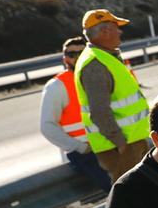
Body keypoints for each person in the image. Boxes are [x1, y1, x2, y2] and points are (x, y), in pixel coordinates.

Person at [74, 8, 150, 181]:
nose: (120, 31)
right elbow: (99, 111)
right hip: (121, 148)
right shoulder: (95, 64)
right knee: (133, 198)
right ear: (105, 31)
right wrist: (121, 144)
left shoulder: (104, 57)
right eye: (116, 26)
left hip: (130, 144)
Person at [40, 36, 111, 190]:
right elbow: (47, 126)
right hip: (86, 154)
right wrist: (79, 147)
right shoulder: (57, 87)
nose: (77, 58)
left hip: (109, 146)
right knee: (119, 190)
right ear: (65, 59)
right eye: (71, 55)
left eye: (81, 52)